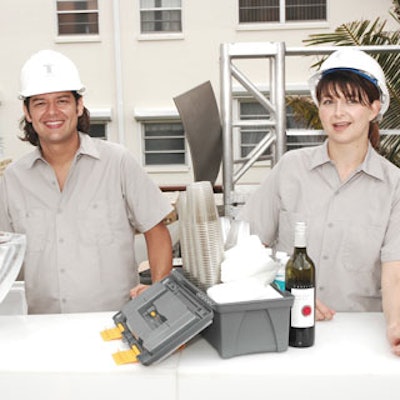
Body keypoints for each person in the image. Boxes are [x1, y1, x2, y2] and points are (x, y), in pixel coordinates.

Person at [239, 48, 400, 356]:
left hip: (359, 338)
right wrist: (279, 292)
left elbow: (395, 274)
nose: (338, 113)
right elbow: (244, 245)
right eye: (329, 101)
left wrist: (395, 327)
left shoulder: (394, 187)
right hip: (285, 330)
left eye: (351, 101)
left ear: (374, 108)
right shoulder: (290, 168)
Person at [0, 49, 173, 314]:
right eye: (40, 103)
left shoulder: (118, 163)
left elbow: (156, 230)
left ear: (79, 106)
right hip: (42, 329)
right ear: (27, 112)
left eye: (62, 101)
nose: (52, 112)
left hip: (117, 324)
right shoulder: (13, 180)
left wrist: (159, 289)